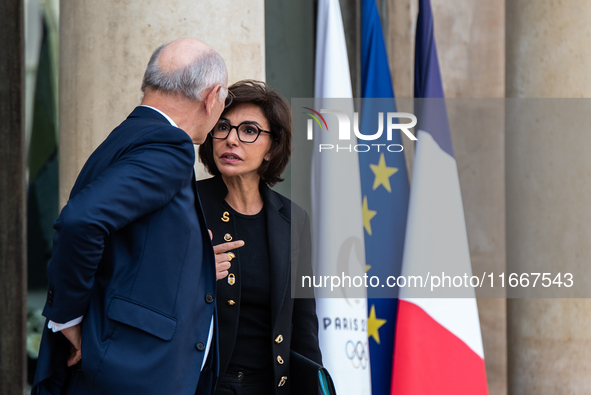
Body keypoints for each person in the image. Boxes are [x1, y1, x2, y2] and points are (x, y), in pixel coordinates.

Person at [32, 38, 242, 395]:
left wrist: (197, 258)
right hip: (132, 370)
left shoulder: (130, 134)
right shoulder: (170, 146)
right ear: (213, 96)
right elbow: (80, 221)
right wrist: (66, 317)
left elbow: (128, 244)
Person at [197, 80, 322, 394]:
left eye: (249, 130)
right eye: (223, 127)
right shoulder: (185, 204)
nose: (231, 140)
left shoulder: (293, 219)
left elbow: (303, 323)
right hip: (201, 385)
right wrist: (194, 272)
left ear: (272, 147)